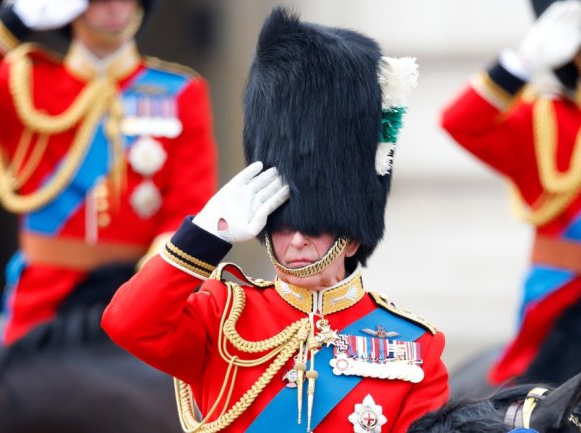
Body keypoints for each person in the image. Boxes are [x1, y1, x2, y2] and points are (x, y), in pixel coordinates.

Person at [103, 8, 449, 433]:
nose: (297, 240)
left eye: (315, 225)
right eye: (284, 224)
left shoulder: (414, 345)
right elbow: (126, 322)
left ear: (352, 238)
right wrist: (206, 235)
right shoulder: (223, 313)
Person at [441, 0, 581, 384]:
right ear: (577, 44)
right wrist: (522, 62)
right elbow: (460, 123)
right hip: (559, 301)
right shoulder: (542, 119)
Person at [0, 0, 217, 344]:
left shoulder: (180, 92)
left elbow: (189, 205)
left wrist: (153, 281)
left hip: (136, 291)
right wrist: (9, 24)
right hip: (42, 298)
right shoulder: (24, 81)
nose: (116, 5)